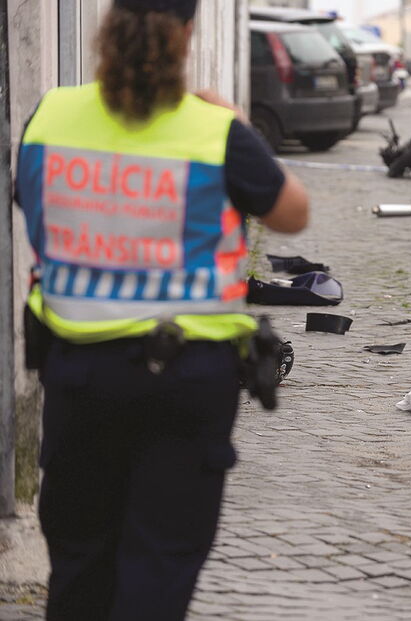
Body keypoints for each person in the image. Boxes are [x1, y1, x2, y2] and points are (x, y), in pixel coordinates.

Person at [12, 1, 309, 619]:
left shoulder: (51, 116)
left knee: (79, 563)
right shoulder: (211, 129)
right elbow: (292, 213)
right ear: (186, 35)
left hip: (78, 376)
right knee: (159, 567)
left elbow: (33, 200)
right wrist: (235, 123)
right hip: (186, 382)